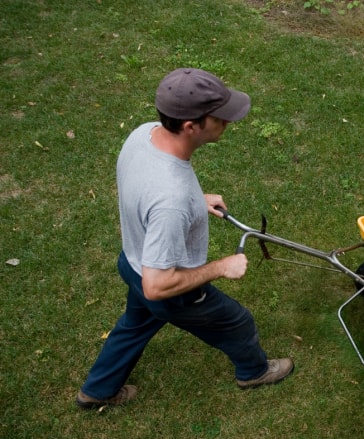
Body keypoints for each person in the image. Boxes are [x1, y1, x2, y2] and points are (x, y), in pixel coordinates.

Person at [76, 68, 294, 409]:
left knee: (135, 325)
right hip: (165, 287)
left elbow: (148, 191)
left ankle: (97, 391)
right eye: (220, 117)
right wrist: (222, 266)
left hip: (130, 261)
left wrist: (196, 200)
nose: (228, 122)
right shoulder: (171, 199)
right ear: (191, 126)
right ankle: (253, 372)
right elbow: (157, 286)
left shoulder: (144, 135)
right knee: (238, 322)